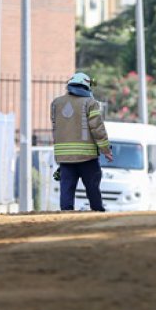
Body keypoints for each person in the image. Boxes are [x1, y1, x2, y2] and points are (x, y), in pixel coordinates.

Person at [51, 72, 113, 211]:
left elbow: (56, 128)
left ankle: (66, 216)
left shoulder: (56, 103)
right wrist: (106, 151)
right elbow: (97, 128)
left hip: (65, 158)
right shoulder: (90, 103)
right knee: (92, 189)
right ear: (86, 86)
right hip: (87, 157)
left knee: (66, 190)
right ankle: (97, 213)